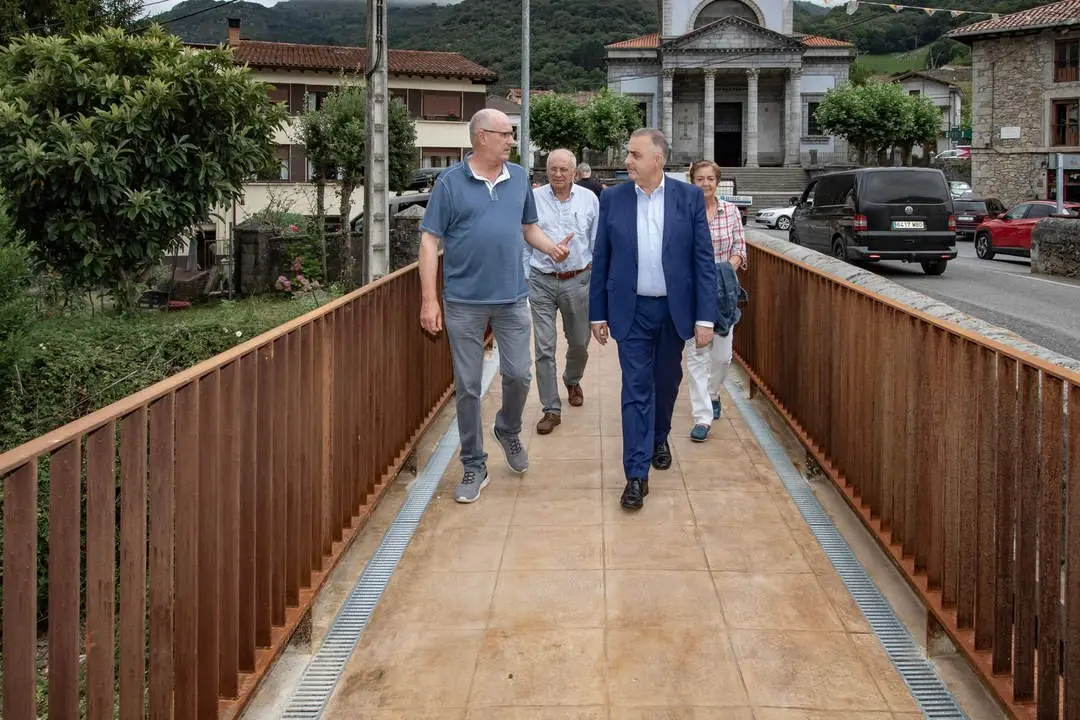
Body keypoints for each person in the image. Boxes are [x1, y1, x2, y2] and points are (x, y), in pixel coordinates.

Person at [418, 108, 572, 504]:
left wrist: (551, 248)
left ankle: (507, 428)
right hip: (463, 302)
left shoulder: (519, 177)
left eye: (511, 135)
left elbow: (527, 227)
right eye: (505, 134)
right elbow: (430, 241)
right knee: (468, 387)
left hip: (512, 298)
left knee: (519, 375)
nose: (511, 141)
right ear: (481, 136)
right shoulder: (450, 182)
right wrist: (429, 300)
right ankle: (474, 463)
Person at [588, 128, 716, 511]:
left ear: (657, 160)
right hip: (631, 311)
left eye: (635, 154)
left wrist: (705, 318)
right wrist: (597, 313)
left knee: (666, 383)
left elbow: (703, 262)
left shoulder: (688, 198)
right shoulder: (612, 198)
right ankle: (636, 474)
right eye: (628, 153)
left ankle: (659, 436)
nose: (627, 160)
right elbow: (602, 258)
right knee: (635, 390)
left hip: (674, 310)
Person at [528, 149, 600, 434]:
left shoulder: (589, 199)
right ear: (546, 170)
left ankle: (572, 379)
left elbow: (596, 241)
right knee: (544, 347)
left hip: (578, 280)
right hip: (541, 280)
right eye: (553, 169)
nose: (557, 174)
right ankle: (551, 408)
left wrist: (596, 277)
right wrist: (525, 275)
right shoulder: (533, 199)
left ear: (574, 173)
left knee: (579, 342)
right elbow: (524, 237)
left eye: (563, 170)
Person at [684, 161, 748, 442]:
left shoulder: (731, 211)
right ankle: (702, 417)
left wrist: (721, 272)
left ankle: (712, 393)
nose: (705, 184)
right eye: (700, 179)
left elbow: (740, 249)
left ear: (717, 182)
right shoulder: (685, 212)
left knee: (722, 356)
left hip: (723, 292)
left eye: (710, 179)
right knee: (697, 354)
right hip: (693, 292)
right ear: (692, 181)